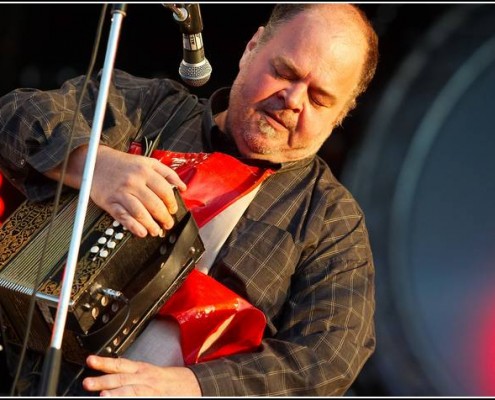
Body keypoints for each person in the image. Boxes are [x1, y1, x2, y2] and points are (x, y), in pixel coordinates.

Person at [0, 3, 378, 396]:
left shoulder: (332, 220)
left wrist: (193, 385)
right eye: (285, 72)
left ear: (342, 115)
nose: (294, 99)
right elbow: (13, 114)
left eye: (319, 99)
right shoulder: (150, 107)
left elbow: (331, 358)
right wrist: (92, 163)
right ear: (251, 48)